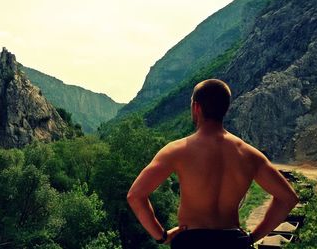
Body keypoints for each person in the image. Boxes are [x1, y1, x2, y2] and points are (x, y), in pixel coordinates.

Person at [127, 79, 299, 248]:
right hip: (233, 242)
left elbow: (135, 196)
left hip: (191, 241)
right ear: (225, 108)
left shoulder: (176, 150)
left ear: (196, 107)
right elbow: (288, 198)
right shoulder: (249, 155)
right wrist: (253, 237)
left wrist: (161, 236)